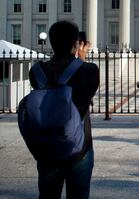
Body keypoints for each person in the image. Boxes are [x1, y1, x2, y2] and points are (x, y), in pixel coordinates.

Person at [29, 20, 99, 198]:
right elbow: (85, 90)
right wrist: (81, 60)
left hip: (47, 149)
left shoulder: (36, 71)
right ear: (76, 44)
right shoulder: (89, 70)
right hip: (78, 149)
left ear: (51, 42)